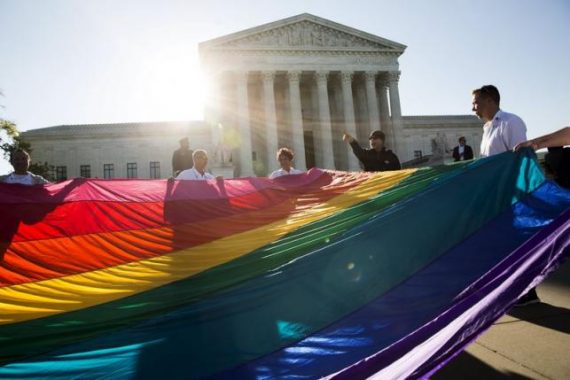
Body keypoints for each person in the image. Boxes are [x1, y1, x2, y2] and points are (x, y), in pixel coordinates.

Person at [472, 85, 527, 157]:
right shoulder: (487, 128)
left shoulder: (511, 122)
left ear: (489, 101)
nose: (473, 109)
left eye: (475, 103)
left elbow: (521, 157)